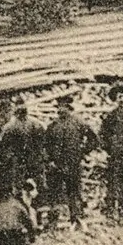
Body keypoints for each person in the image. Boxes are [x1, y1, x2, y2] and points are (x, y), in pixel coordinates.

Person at [42, 95, 93, 228]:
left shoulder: (79, 123)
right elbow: (45, 145)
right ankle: (53, 221)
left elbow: (94, 139)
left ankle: (76, 219)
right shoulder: (52, 126)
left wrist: (82, 152)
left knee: (74, 192)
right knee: (54, 193)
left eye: (64, 107)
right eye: (59, 107)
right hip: (56, 165)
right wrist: (49, 160)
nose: (61, 110)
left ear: (69, 108)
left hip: (73, 163)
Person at [99, 83, 123, 219]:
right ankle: (110, 209)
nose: (122, 98)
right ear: (116, 98)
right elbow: (102, 134)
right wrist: (108, 147)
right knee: (112, 182)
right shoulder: (110, 116)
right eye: (119, 96)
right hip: (114, 154)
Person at [0, 101, 44, 202]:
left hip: (28, 159)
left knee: (31, 185)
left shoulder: (32, 124)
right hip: (19, 160)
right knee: (21, 185)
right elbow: (2, 144)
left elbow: (42, 141)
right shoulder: (11, 126)